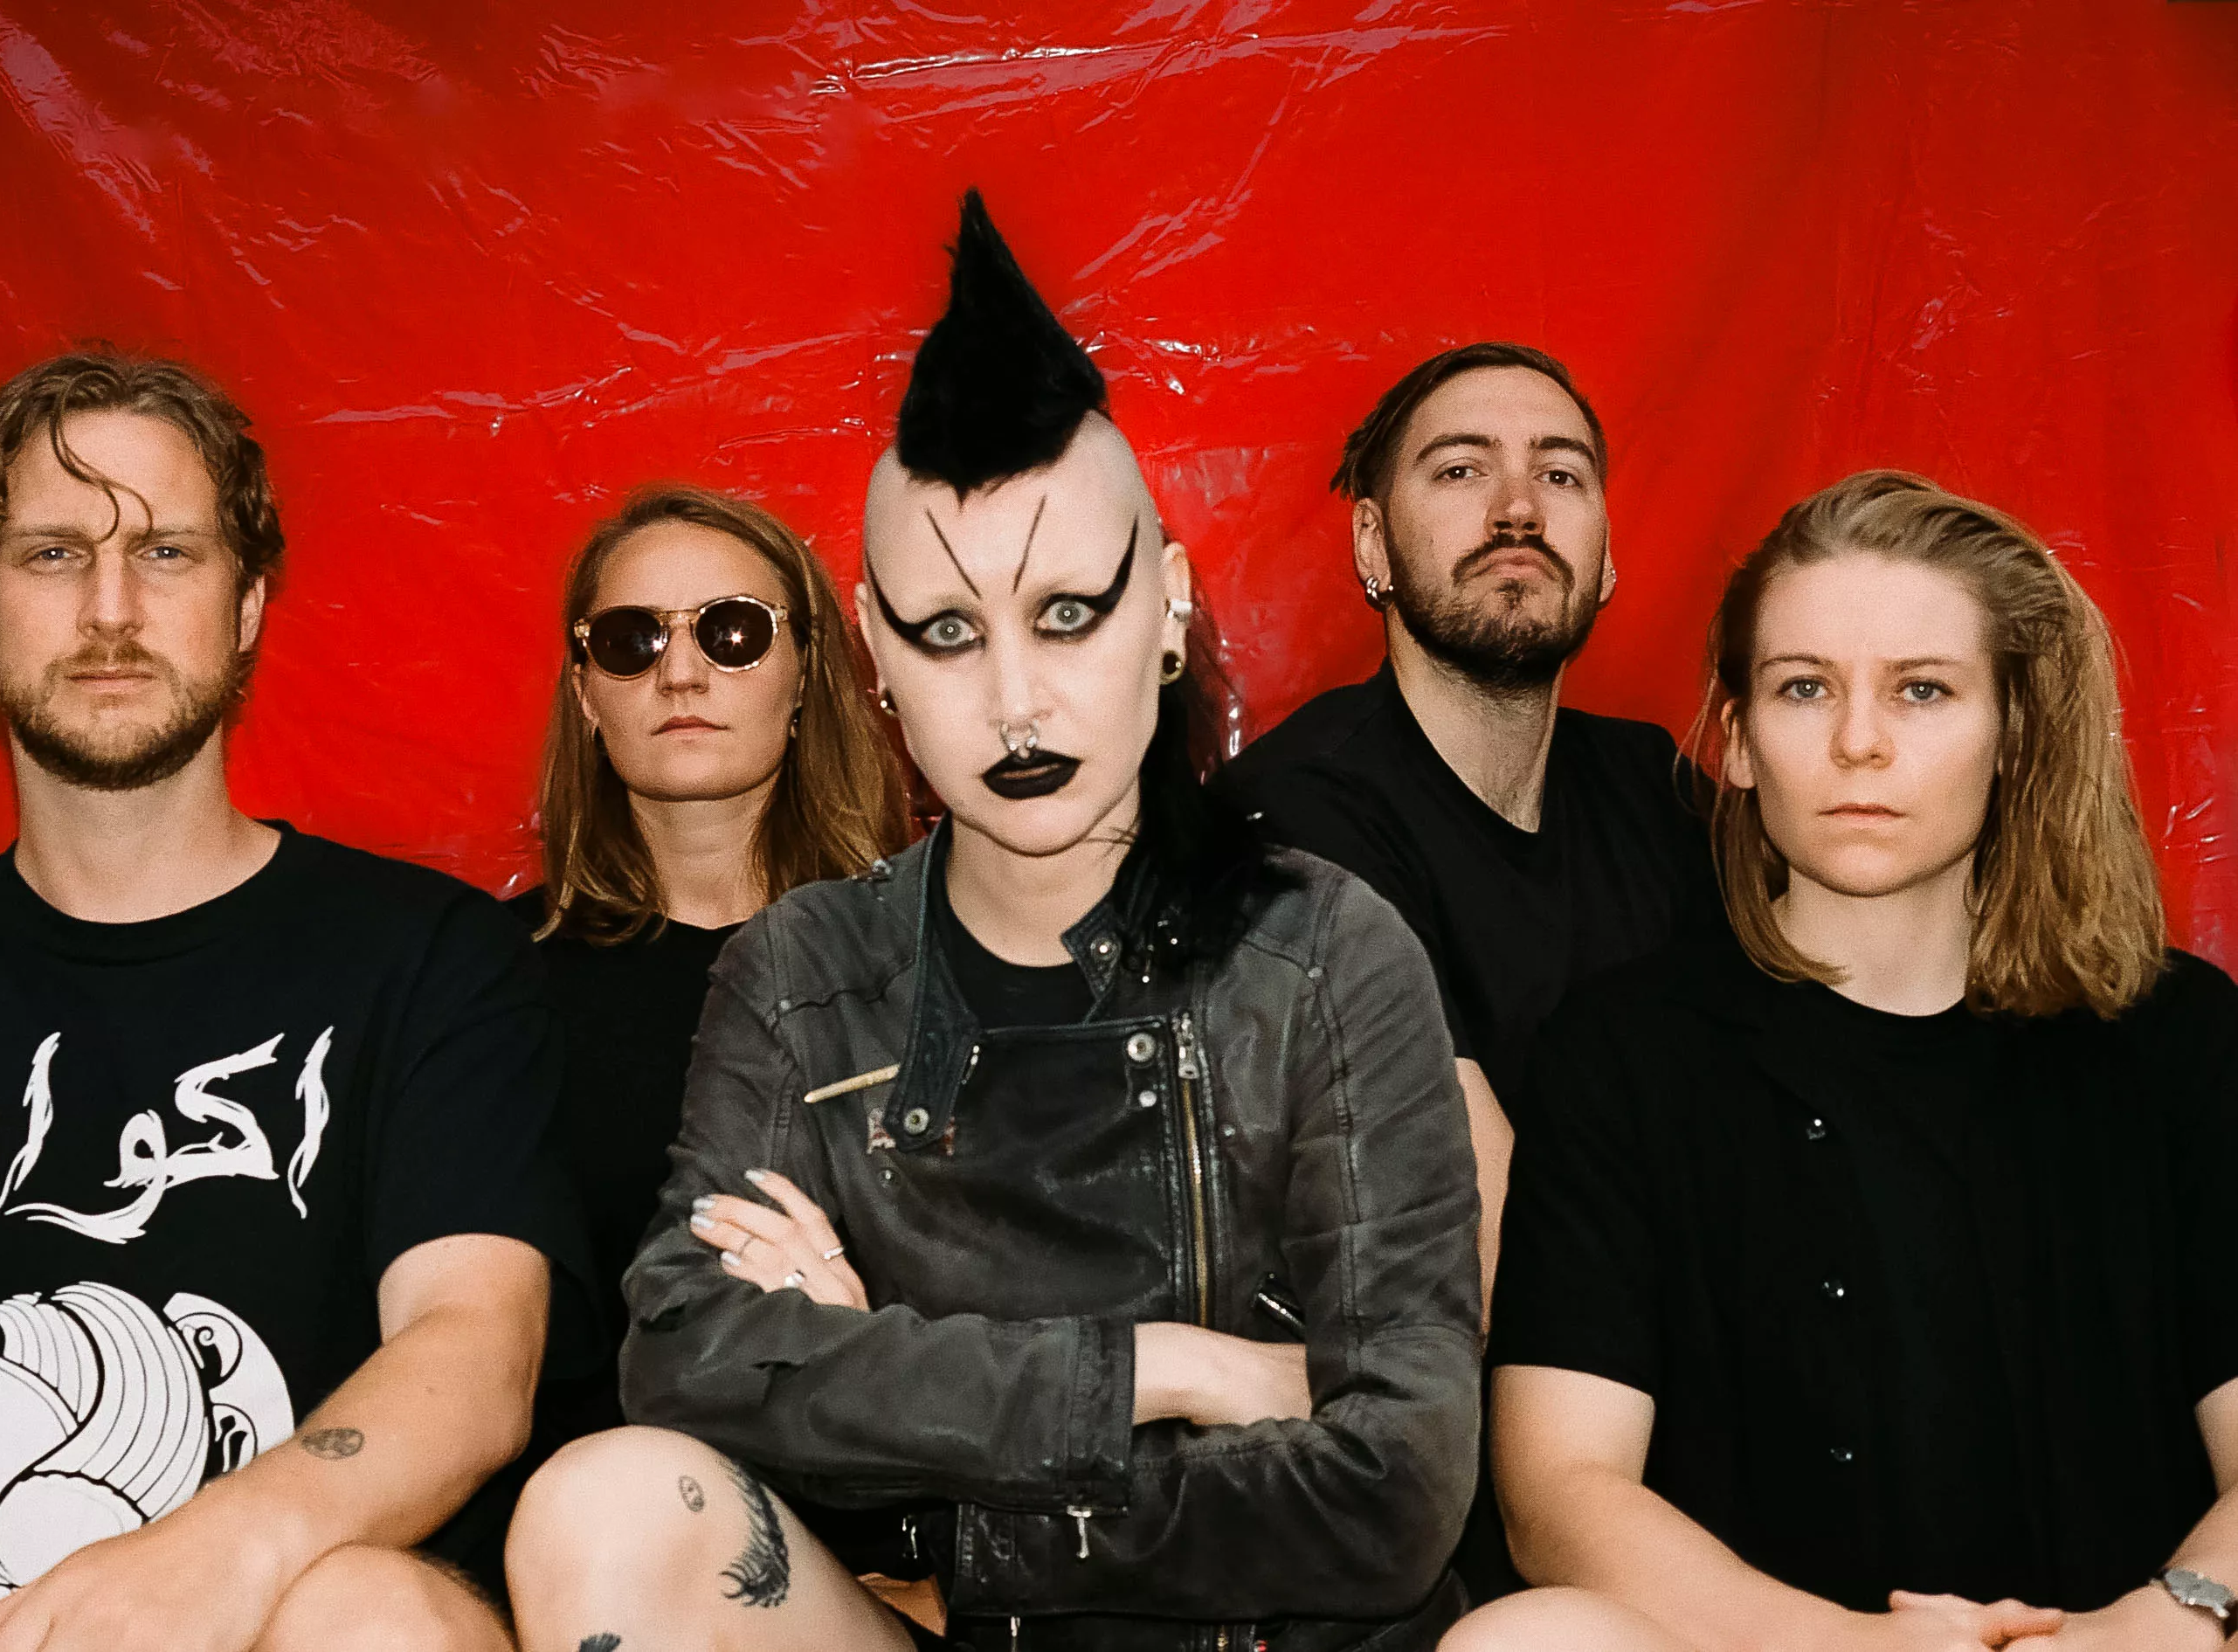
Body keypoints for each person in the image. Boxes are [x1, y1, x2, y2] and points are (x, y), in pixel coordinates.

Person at [501, 191, 1482, 1651]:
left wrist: (933, 1504)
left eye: (1068, 613)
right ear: (874, 648)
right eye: (951, 632)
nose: (1014, 701)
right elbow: (690, 1356)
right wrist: (1161, 1370)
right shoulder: (805, 970)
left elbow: (1397, 1488)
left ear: (1166, 608)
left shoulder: (1326, 952)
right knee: (608, 1506)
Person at [0, 352, 590, 1652]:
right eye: (51, 555)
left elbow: (475, 1351)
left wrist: (215, 1556)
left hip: (302, 1617)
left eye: (166, 553)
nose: (110, 608)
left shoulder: (431, 961)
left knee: (365, 1614)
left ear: (246, 605)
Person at [1454, 471, 2238, 1652]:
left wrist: (2166, 1620)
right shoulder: (1622, 1052)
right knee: (1525, 1640)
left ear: (2014, 733)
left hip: (2133, 1643)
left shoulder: (2178, 1035)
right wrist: (1851, 1645)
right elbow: (1560, 1490)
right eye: (1803, 686)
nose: (1857, 742)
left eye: (1921, 689)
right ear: (1740, 740)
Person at [1213, 342, 1712, 1308]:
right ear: (1371, 545)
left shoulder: (1655, 788)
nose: (1517, 509)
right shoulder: (1294, 816)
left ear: (1607, 554)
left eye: (1559, 475)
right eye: (1460, 470)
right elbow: (1484, 1255)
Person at [511, 483, 908, 1446]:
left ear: (806, 673)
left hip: (881, 1488)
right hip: (580, 1501)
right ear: (584, 690)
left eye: (732, 631)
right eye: (630, 639)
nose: (681, 673)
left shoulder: (924, 959)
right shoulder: (492, 983)